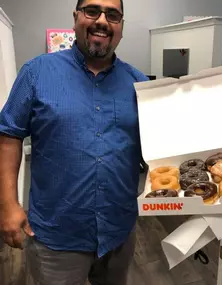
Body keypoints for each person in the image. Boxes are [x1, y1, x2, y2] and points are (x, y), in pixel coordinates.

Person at [0, 0, 148, 284]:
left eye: (113, 15)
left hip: (119, 229)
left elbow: (157, 145)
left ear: (121, 27)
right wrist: (7, 204)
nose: (102, 21)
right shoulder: (37, 73)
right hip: (58, 236)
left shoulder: (137, 82)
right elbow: (8, 134)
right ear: (76, 18)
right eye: (92, 11)